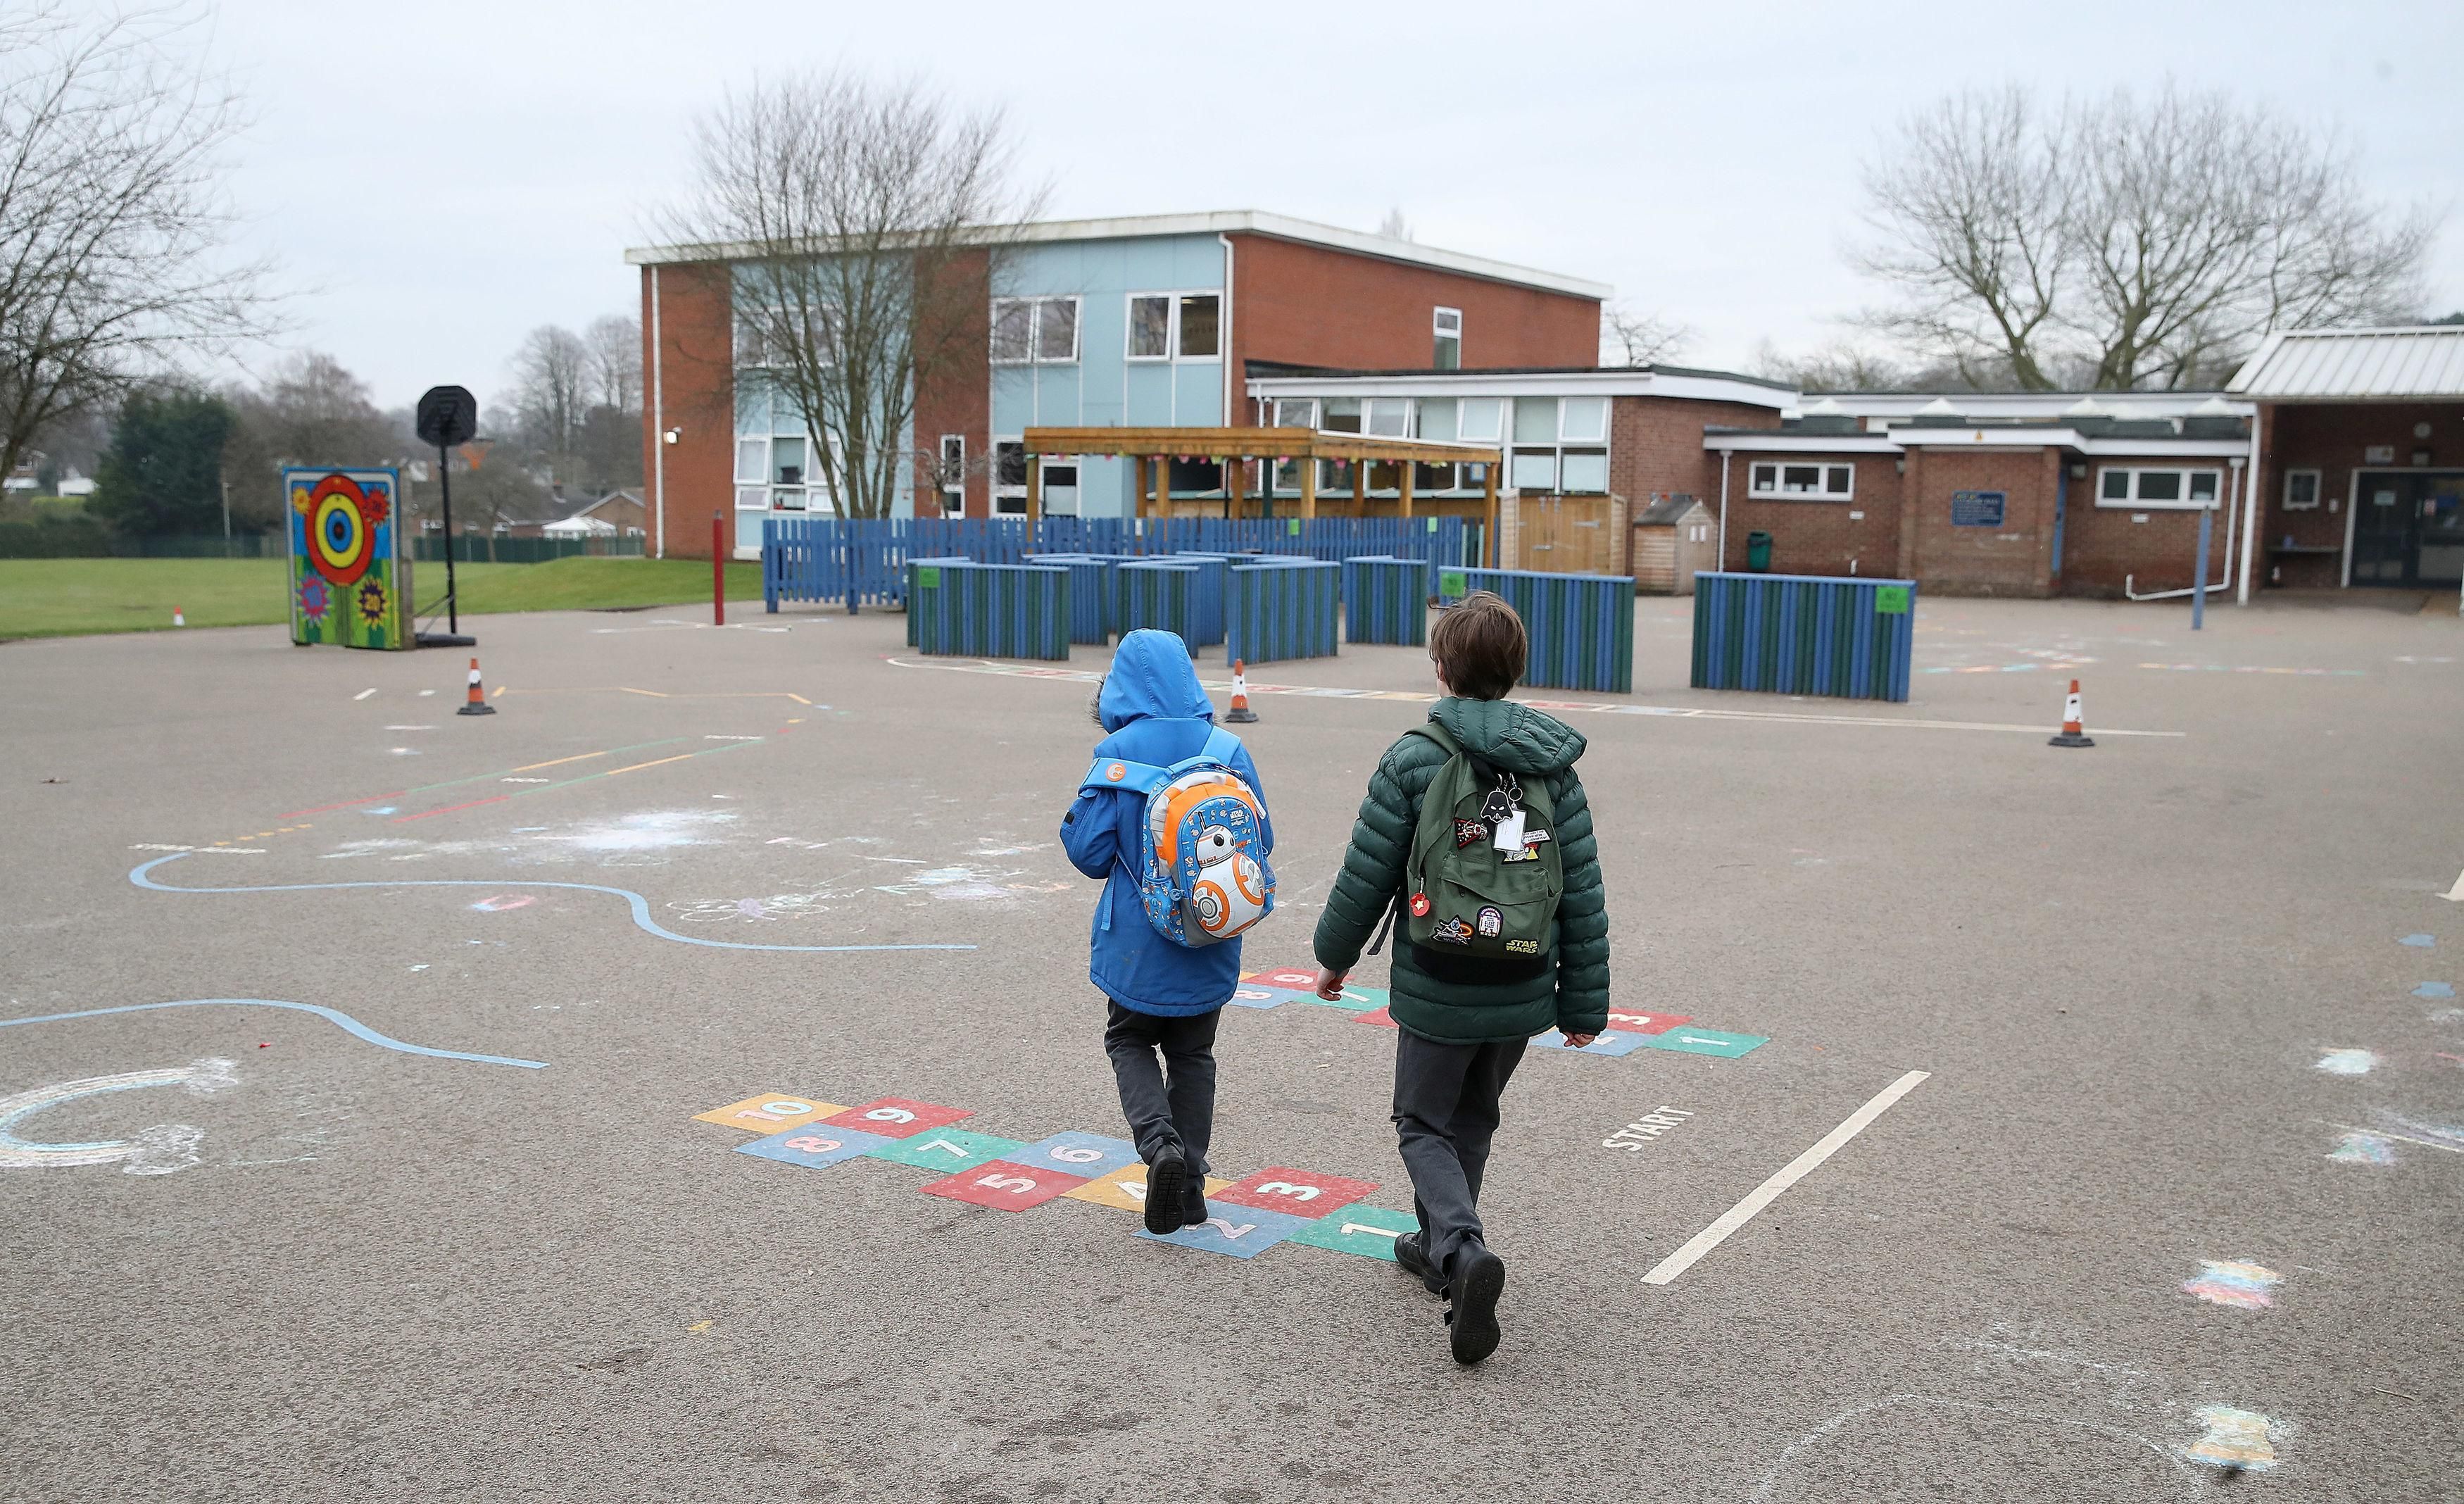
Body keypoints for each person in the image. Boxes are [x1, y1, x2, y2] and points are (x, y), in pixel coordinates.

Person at [1311, 591, 1609, 1365]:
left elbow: (1365, 872)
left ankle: (1461, 1249)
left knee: (1419, 1121)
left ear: (1439, 669)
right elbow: (1580, 892)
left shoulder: (1414, 755)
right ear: (1514, 671)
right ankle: (1436, 1244)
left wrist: (1335, 956)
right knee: (1470, 1118)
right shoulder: (1553, 767)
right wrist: (1582, 1004)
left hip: (1437, 975)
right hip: (1519, 981)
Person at [1062, 629, 1274, 1238]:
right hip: (1210, 932)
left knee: (1129, 1040)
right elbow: (1262, 841)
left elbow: (1087, 851)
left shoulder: (1120, 751)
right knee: (1194, 1053)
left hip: (1138, 943)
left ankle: (1160, 1150)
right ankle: (1193, 1188)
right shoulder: (1227, 746)